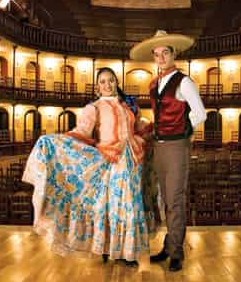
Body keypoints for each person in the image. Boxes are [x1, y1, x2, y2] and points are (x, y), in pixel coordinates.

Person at [22, 67, 150, 266]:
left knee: (131, 204)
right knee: (114, 205)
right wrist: (57, 140)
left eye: (111, 80)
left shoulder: (128, 105)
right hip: (110, 159)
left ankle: (127, 251)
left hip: (133, 158)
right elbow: (82, 132)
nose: (107, 85)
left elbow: (138, 128)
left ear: (116, 82)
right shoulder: (95, 107)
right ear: (97, 87)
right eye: (102, 82)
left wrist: (145, 130)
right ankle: (111, 249)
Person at [130, 30, 207, 272]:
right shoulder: (154, 84)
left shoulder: (184, 81)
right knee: (164, 199)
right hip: (159, 146)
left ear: (174, 54)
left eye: (165, 52)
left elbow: (200, 113)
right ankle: (168, 245)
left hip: (176, 146)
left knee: (175, 200)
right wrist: (148, 129)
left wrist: (180, 130)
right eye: (157, 54)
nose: (161, 57)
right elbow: (161, 117)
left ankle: (177, 253)